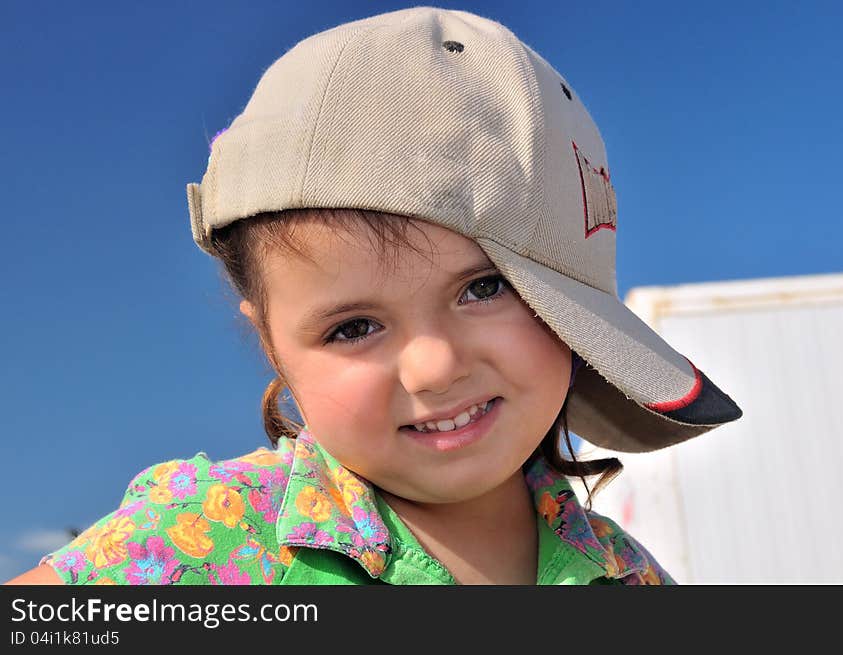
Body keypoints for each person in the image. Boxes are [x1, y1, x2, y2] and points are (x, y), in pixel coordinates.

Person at [5, 6, 741, 586]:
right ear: (272, 344)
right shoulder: (210, 539)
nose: (432, 367)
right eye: (353, 327)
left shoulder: (628, 576)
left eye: (483, 287)